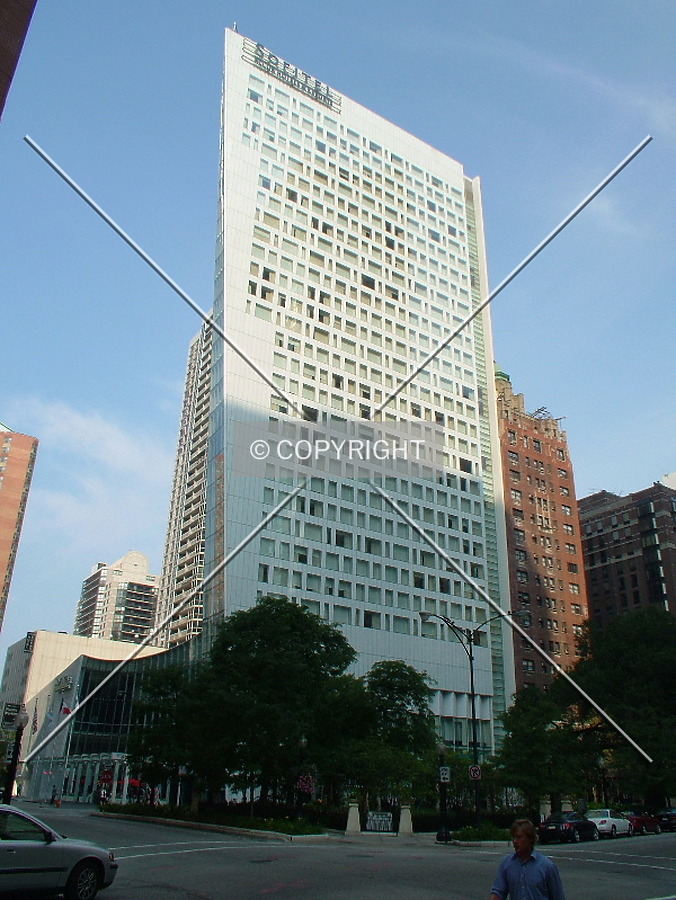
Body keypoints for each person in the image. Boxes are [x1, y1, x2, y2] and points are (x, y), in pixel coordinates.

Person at [490, 818, 567, 900]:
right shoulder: (507, 864)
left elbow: (558, 896)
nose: (515, 841)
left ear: (530, 838)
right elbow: (499, 892)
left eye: (519, 837)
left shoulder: (547, 867)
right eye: (513, 837)